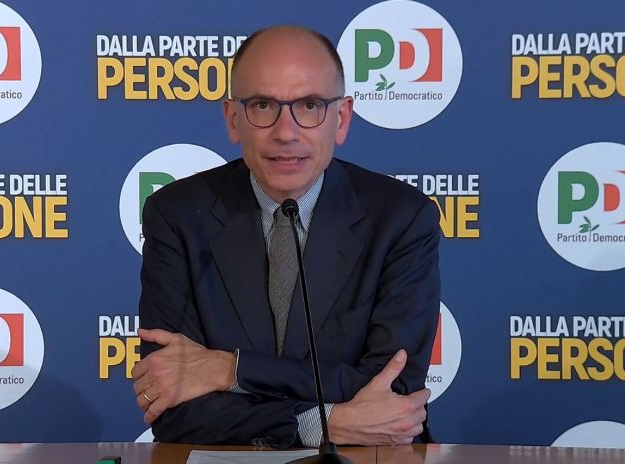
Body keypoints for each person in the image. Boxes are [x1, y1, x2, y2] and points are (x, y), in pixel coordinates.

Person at [132, 25, 440, 449]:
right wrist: (321, 424)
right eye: (263, 105)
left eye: (310, 106)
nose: (286, 132)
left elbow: (393, 394)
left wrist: (228, 370)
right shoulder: (178, 215)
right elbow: (172, 405)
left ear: (341, 119)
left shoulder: (402, 218)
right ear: (233, 119)